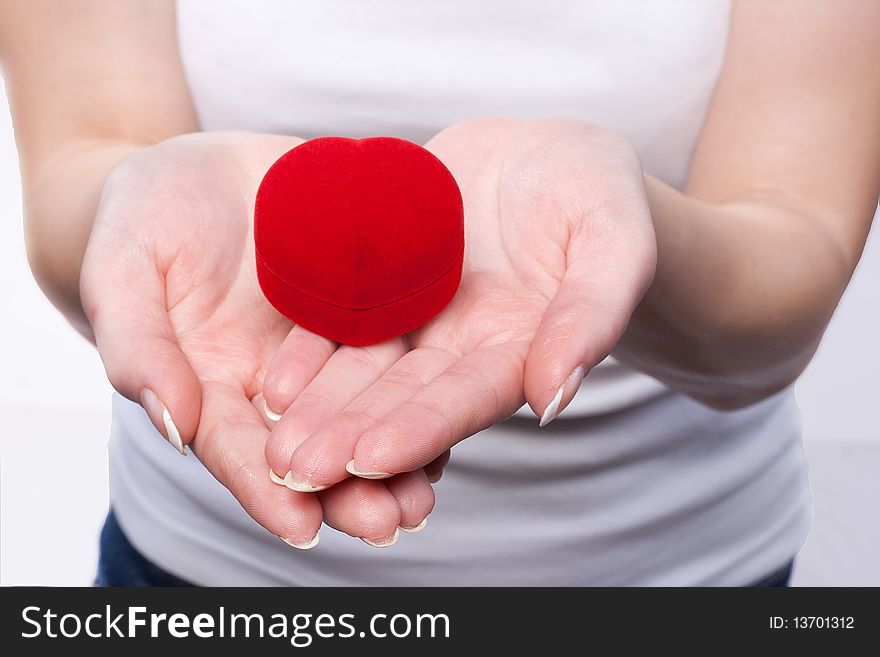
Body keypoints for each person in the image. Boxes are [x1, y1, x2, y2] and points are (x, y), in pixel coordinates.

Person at [1, 0, 877, 586]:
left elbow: (793, 232)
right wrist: (140, 204)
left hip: (685, 574)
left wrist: (624, 227)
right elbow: (88, 153)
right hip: (199, 575)